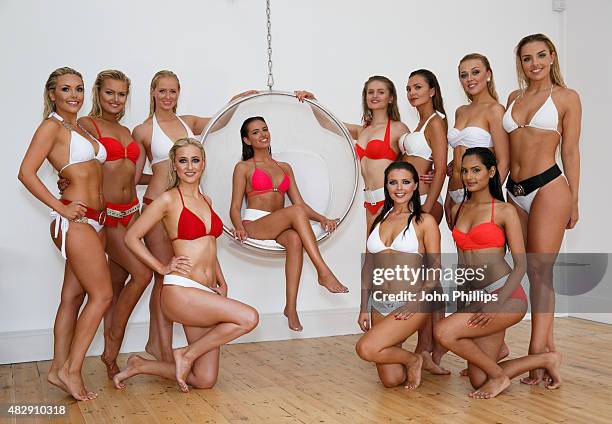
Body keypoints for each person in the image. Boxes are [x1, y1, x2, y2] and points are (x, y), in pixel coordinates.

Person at [117, 138, 258, 392]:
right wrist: (161, 268)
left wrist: (221, 280)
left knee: (204, 379)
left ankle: (139, 365)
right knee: (249, 318)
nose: (190, 167)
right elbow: (131, 237)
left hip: (204, 293)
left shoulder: (207, 201)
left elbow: (208, 246)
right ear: (175, 165)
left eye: (195, 160)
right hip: (181, 291)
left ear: (203, 164)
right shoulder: (168, 200)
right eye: (183, 161)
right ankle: (187, 353)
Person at [132, 70, 255, 361]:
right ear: (152, 92)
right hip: (158, 204)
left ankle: (170, 349)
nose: (167, 96)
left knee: (180, 273)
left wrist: (237, 100)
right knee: (164, 276)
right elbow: (135, 175)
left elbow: (219, 120)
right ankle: (160, 347)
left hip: (188, 202)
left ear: (179, 93)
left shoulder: (188, 123)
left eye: (173, 91)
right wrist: (164, 176)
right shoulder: (143, 130)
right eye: (161, 91)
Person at [434, 147, 562, 399]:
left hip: (505, 295)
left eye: (476, 170)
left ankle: (500, 376)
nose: (469, 176)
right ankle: (547, 359)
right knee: (477, 380)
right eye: (465, 171)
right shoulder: (457, 209)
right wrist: (464, 306)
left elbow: (521, 265)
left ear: (491, 172)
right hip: (474, 298)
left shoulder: (504, 211)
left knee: (443, 332)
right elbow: (463, 264)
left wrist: (496, 304)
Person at [18, 67, 112, 401]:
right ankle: (73, 370)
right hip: (76, 222)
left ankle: (58, 368)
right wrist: (61, 208)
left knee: (73, 297)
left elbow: (85, 171)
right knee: (102, 295)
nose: (74, 95)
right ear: (52, 94)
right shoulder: (51, 127)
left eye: (79, 89)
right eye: (66, 89)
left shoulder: (79, 127)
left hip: (96, 221)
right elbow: (25, 173)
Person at [503, 33, 581, 384]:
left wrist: (574, 200)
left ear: (552, 57)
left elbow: (571, 151)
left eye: (540, 56)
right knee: (522, 269)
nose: (533, 63)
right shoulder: (513, 97)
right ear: (520, 63)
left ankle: (537, 357)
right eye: (526, 58)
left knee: (540, 272)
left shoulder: (566, 97)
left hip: (549, 187)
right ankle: (549, 353)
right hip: (514, 191)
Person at [230, 116, 348, 332]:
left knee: (294, 239)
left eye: (265, 129)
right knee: (294, 213)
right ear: (247, 140)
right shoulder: (243, 168)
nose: (262, 134)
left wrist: (323, 219)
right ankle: (323, 271)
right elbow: (234, 206)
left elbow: (300, 204)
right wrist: (238, 226)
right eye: (255, 132)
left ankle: (291, 308)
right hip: (255, 224)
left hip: (279, 224)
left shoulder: (285, 167)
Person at [76, 70, 152, 379]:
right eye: (110, 93)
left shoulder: (126, 130)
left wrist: (167, 178)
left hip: (131, 212)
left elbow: (130, 175)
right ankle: (111, 339)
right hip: (107, 217)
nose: (116, 99)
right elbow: (77, 164)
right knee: (143, 273)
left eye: (121, 94)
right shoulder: (87, 125)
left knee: (119, 284)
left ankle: (110, 357)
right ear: (98, 93)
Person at [355, 161, 447, 389]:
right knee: (392, 380)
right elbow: (368, 266)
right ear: (386, 186)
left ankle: (415, 358)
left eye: (406, 182)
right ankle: (413, 359)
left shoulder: (424, 221)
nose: (399, 188)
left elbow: (435, 269)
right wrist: (363, 307)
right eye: (393, 182)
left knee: (365, 348)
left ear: (415, 185)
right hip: (379, 304)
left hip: (411, 302)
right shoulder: (378, 218)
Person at [295, 76, 409, 238]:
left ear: (391, 98)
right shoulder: (362, 130)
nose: (374, 96)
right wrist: (313, 102)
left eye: (380, 92)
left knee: (389, 254)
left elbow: (413, 163)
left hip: (392, 200)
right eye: (370, 92)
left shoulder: (398, 128)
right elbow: (328, 124)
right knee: (372, 254)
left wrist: (429, 173)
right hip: (370, 202)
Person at [446, 54, 509, 227]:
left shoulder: (495, 110)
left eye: (475, 72)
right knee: (464, 253)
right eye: (463, 75)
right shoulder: (460, 111)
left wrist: (488, 199)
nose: (469, 79)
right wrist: (447, 197)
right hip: (454, 191)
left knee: (483, 252)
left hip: (480, 195)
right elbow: (459, 159)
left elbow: (503, 161)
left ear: (488, 74)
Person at [399, 69, 447, 224]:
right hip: (409, 200)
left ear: (432, 91)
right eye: (408, 89)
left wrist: (426, 207)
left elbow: (441, 169)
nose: (412, 92)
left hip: (425, 200)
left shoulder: (435, 123)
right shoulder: (420, 124)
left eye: (418, 87)